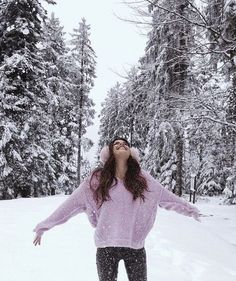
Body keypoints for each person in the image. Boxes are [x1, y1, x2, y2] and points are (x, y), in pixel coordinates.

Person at [33, 136, 201, 281]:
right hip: (106, 247)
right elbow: (70, 205)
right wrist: (44, 226)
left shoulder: (143, 179)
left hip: (135, 247)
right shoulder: (96, 179)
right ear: (110, 152)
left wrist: (191, 210)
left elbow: (167, 197)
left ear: (130, 153)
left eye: (125, 143)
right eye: (117, 144)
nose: (122, 144)